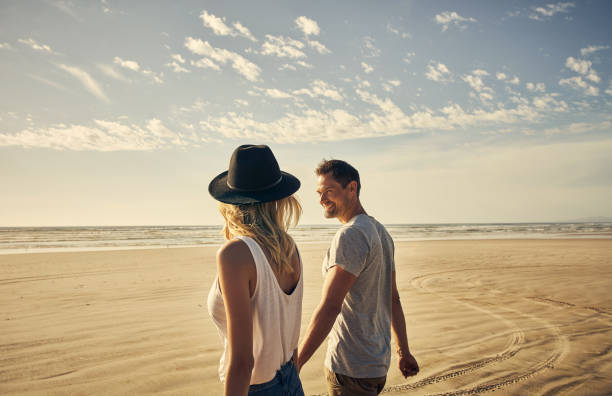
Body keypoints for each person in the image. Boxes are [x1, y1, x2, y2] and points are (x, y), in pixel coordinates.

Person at [296, 159, 419, 396]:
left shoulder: (351, 235)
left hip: (350, 368)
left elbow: (330, 306)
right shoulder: (380, 232)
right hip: (375, 366)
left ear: (352, 188)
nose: (322, 200)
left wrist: (297, 362)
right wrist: (403, 353)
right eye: (319, 193)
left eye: (329, 191)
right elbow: (393, 299)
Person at [207, 144, 305, 396]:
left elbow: (242, 362)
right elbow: (288, 333)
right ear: (277, 198)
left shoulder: (235, 255)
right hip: (290, 379)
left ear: (231, 201)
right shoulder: (288, 248)